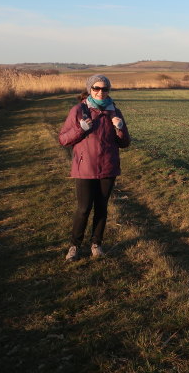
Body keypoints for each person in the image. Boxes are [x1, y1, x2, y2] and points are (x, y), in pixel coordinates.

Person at [59, 75, 130, 261]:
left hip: (108, 167)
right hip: (85, 168)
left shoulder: (114, 112)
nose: (100, 92)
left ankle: (96, 244)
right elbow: (63, 139)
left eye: (105, 89)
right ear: (90, 89)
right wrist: (80, 129)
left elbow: (125, 143)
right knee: (83, 209)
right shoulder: (78, 110)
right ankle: (74, 246)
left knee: (102, 208)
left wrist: (120, 128)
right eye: (96, 88)